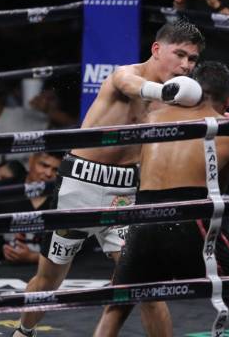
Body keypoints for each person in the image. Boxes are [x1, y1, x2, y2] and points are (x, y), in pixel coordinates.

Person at [13, 20, 205, 337]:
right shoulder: (125, 75)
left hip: (126, 195)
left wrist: (215, 115)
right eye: (180, 54)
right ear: (157, 50)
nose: (185, 65)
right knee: (49, 278)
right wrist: (165, 93)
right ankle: (23, 331)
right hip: (80, 187)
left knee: (147, 286)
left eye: (192, 59)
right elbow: (129, 85)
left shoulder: (180, 96)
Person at [94, 61, 229, 337]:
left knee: (115, 308)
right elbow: (217, 189)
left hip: (144, 219)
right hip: (192, 218)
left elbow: (125, 84)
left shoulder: (153, 115)